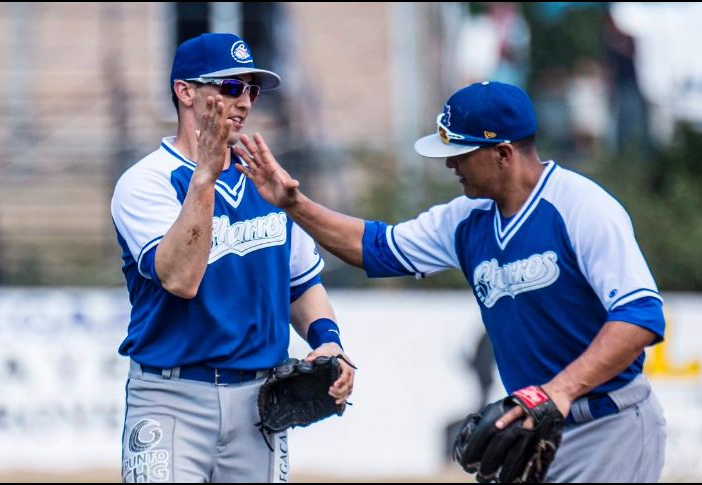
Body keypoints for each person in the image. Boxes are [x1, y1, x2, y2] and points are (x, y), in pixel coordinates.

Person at [233, 81, 666, 482]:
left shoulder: (582, 208)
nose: (450, 162)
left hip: (608, 425)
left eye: (461, 150)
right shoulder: (466, 219)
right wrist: (294, 204)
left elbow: (640, 317)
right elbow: (375, 249)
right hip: (537, 426)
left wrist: (558, 392)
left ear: (503, 153)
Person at [110, 33, 355, 483]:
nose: (243, 101)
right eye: (229, 87)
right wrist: (205, 176)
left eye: (252, 90)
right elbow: (181, 278)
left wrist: (329, 340)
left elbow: (301, 283)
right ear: (185, 91)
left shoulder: (265, 180)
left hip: (259, 403)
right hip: (171, 397)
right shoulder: (147, 181)